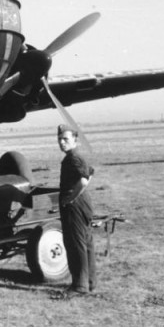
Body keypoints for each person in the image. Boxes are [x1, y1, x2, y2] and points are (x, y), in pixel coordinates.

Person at [57, 124, 96, 296]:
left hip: (75, 206)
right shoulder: (77, 157)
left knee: (75, 244)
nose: (62, 142)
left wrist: (71, 197)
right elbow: (91, 173)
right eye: (59, 139)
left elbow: (84, 181)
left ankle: (79, 287)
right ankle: (90, 282)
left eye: (65, 139)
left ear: (75, 140)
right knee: (86, 244)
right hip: (83, 203)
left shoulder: (73, 158)